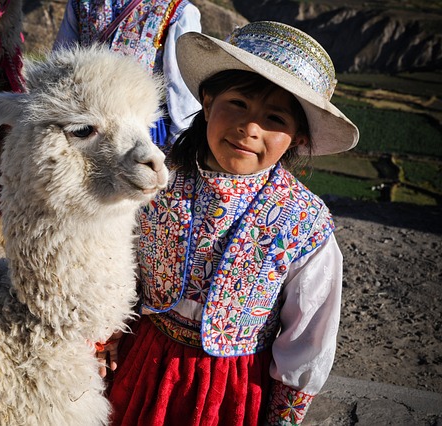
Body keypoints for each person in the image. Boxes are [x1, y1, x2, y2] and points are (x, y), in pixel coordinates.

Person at [98, 21, 360, 425]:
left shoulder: (303, 222)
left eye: (275, 119)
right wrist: (105, 333)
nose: (250, 128)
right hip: (141, 359)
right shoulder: (156, 176)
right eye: (238, 103)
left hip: (231, 389)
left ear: (299, 140)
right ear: (207, 101)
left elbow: (309, 335)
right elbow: (112, 259)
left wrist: (283, 416)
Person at [53, 0, 202, 148]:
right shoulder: (80, 4)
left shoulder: (177, 10)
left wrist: (182, 138)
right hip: (90, 123)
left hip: (136, 124)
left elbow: (181, 83)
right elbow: (63, 66)